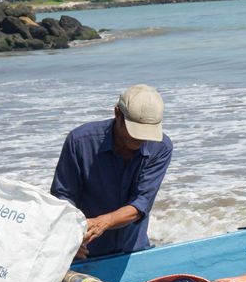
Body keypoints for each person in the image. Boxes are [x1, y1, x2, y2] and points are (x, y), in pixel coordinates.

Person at [50, 84, 173, 259]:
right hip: (85, 251)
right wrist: (69, 237)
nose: (140, 138)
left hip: (133, 251)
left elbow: (141, 203)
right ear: (117, 114)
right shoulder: (79, 141)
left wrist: (103, 222)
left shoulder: (160, 147)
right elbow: (63, 197)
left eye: (146, 132)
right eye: (134, 131)